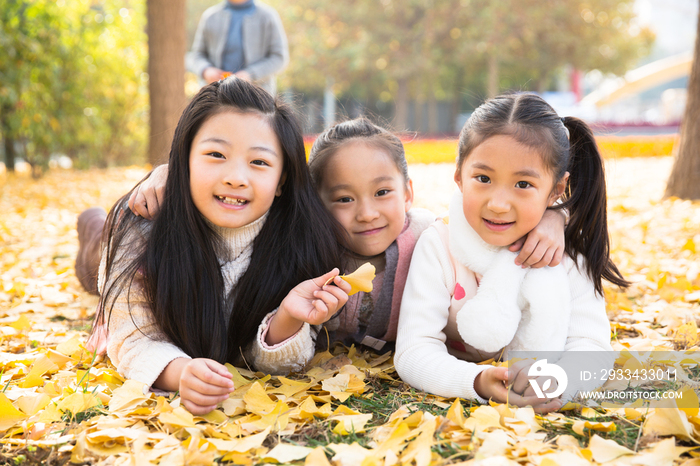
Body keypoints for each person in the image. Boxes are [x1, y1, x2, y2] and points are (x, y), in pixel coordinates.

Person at [114, 118, 569, 355]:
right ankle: (96, 227)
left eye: (383, 193)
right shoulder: (303, 245)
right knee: (97, 253)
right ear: (315, 202)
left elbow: (500, 225)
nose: (367, 213)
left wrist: (555, 217)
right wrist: (167, 174)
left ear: (408, 192)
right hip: (125, 249)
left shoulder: (433, 238)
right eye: (344, 199)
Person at [87, 78, 350, 415]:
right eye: (215, 154)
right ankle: (92, 225)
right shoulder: (142, 227)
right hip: (115, 252)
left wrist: (287, 318)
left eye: (259, 162)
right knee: (92, 255)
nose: (236, 177)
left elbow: (261, 359)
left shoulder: (299, 240)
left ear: (282, 180)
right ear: (184, 160)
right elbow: (130, 336)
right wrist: (179, 373)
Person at [394, 93, 629, 413]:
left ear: (557, 190)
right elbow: (413, 350)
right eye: (483, 178)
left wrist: (558, 381)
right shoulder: (439, 246)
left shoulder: (566, 256)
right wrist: (475, 381)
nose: (499, 203)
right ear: (459, 177)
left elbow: (592, 348)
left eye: (523, 184)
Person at [186, 0, 289, 96]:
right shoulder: (210, 16)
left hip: (257, 98)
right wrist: (206, 70)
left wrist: (250, 74)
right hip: (215, 96)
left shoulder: (267, 16)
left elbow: (279, 58)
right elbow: (196, 55)